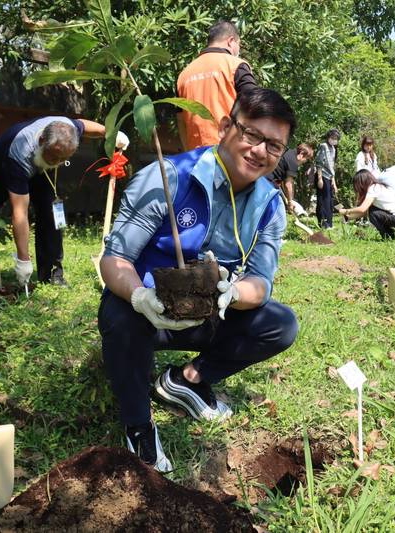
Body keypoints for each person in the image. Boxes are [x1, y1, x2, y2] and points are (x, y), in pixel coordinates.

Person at [98, 88, 299, 471]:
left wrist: (234, 292)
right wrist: (139, 295)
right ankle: (139, 425)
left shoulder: (270, 206)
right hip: (148, 316)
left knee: (280, 324)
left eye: (274, 146)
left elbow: (261, 281)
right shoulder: (169, 177)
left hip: (210, 316)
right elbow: (115, 260)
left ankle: (188, 379)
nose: (260, 151)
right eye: (252, 135)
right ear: (226, 127)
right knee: (119, 314)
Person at [0, 117, 127, 287]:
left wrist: (110, 133)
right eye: (55, 157)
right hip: (1, 168)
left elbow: (82, 125)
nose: (59, 163)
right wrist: (23, 259)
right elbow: (19, 213)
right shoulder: (19, 154)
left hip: (41, 168)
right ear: (42, 140)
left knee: (52, 215)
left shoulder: (66, 130)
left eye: (63, 159)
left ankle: (51, 275)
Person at [176, 20, 257, 151]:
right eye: (239, 45)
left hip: (195, 155)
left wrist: (189, 152)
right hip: (227, 152)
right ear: (231, 41)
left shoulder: (184, 75)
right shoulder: (236, 65)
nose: (238, 50)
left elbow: (181, 122)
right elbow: (255, 106)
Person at [338, 170, 395, 239]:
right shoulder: (378, 186)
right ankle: (390, 235)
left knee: (372, 213)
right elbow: (364, 211)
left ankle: (388, 236)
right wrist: (348, 217)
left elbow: (363, 209)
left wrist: (345, 211)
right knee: (372, 211)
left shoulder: (373, 189)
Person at [269, 143, 313, 213]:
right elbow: (288, 184)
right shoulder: (293, 162)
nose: (304, 162)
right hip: (268, 184)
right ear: (301, 154)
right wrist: (290, 202)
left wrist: (288, 199)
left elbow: (283, 181)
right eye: (306, 159)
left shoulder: (288, 153)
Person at [314, 128, 340, 228]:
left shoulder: (334, 148)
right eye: (332, 137)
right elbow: (319, 163)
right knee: (323, 200)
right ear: (328, 137)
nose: (334, 140)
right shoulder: (323, 146)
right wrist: (319, 179)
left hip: (329, 177)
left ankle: (329, 223)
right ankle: (323, 223)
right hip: (322, 176)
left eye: (336, 138)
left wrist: (334, 182)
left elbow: (332, 166)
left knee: (329, 201)